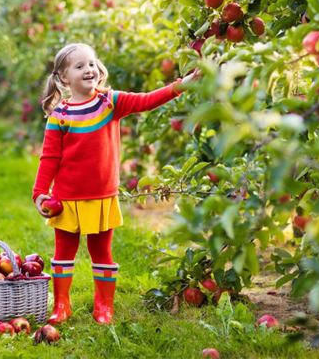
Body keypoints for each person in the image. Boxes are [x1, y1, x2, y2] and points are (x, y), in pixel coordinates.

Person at [32, 42, 200, 324]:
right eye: (80, 66)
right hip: (67, 199)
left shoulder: (110, 102)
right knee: (63, 253)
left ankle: (104, 307)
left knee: (102, 253)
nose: (89, 69)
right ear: (63, 78)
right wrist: (39, 193)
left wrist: (180, 85)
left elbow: (147, 100)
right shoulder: (60, 115)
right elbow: (49, 158)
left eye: (92, 63)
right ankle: (62, 305)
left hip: (101, 196)